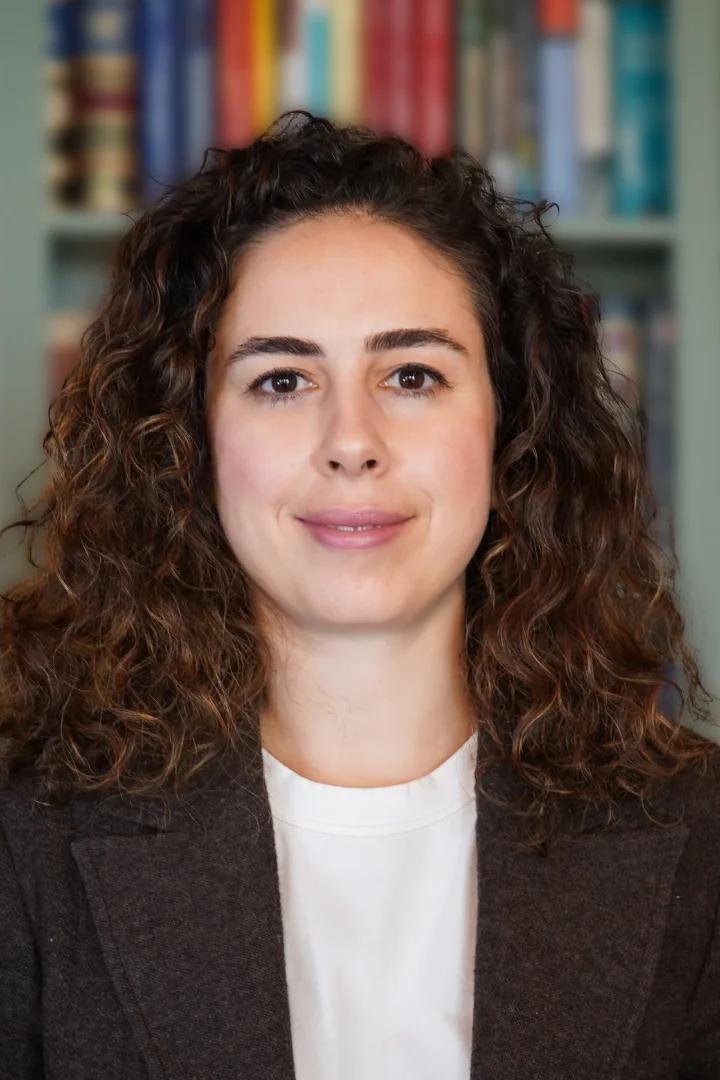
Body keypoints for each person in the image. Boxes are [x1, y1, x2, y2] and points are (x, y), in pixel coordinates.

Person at [0, 110, 718, 1080]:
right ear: (189, 442)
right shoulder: (24, 835)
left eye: (413, 375)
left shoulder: (703, 833)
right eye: (283, 379)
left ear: (510, 430)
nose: (352, 438)